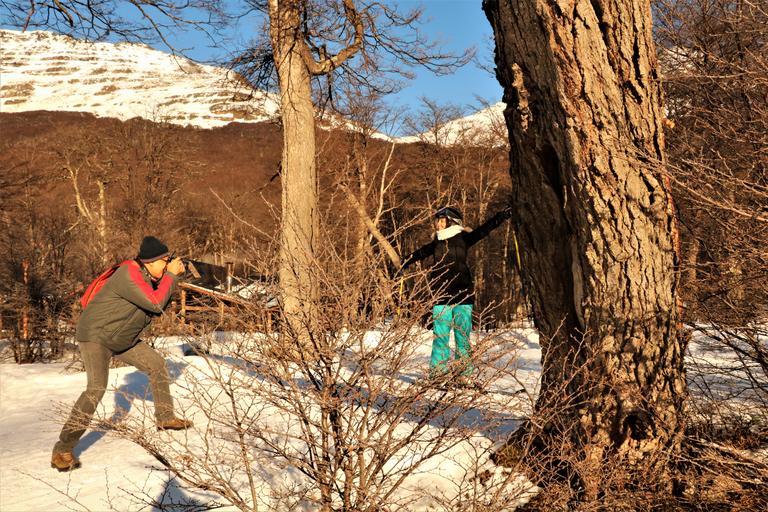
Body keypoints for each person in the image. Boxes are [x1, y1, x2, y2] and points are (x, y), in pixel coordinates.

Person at [51, 236, 192, 472]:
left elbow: (157, 306)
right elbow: (155, 304)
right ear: (150, 261)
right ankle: (63, 448)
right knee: (95, 388)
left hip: (122, 338)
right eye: (164, 261)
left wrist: (171, 278)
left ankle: (165, 418)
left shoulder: (148, 276)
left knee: (157, 364)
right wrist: (171, 277)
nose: (167, 266)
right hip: (96, 336)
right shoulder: (129, 273)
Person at [400, 205, 512, 387]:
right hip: (441, 295)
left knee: (462, 338)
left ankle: (464, 376)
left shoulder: (463, 238)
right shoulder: (436, 242)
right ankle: (438, 375)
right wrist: (406, 260)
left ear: (452, 221)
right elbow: (421, 252)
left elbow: (484, 229)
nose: (438, 224)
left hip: (463, 294)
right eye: (437, 221)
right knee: (440, 337)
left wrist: (502, 215)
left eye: (442, 220)